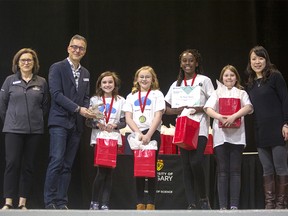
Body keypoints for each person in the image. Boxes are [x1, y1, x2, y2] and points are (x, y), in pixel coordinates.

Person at [44, 34, 98, 209]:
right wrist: (79, 109)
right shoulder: (57, 67)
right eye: (74, 47)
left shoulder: (86, 73)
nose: (77, 50)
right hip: (59, 121)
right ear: (68, 48)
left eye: (81, 48)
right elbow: (56, 95)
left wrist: (88, 110)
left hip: (76, 124)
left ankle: (61, 201)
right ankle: (50, 201)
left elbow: (85, 97)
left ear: (85, 51)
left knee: (67, 164)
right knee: (57, 160)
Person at [165, 49, 214, 209]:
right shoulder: (176, 84)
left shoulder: (204, 80)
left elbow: (213, 102)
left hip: (199, 127)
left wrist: (197, 109)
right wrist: (178, 110)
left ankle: (203, 198)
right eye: (184, 61)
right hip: (182, 128)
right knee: (186, 165)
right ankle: (191, 203)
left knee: (196, 162)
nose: (188, 63)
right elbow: (166, 108)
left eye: (191, 60)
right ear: (181, 63)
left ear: (197, 63)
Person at [0, 48, 49, 210]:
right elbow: (2, 105)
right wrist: (11, 120)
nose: (26, 63)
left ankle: (22, 202)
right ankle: (8, 201)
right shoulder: (9, 81)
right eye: (23, 60)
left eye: (29, 60)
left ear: (34, 63)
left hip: (34, 131)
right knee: (12, 164)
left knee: (28, 166)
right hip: (13, 130)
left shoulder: (41, 82)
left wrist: (37, 120)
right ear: (17, 63)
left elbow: (45, 106)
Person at [204, 65, 253, 210]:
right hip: (220, 136)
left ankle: (234, 205)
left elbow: (249, 107)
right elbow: (208, 108)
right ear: (222, 78)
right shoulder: (217, 93)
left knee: (235, 171)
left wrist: (233, 116)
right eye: (226, 75)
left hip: (237, 137)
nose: (229, 78)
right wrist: (220, 117)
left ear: (236, 77)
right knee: (222, 171)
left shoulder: (241, 93)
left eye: (232, 75)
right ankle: (223, 206)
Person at [246, 46, 288, 209]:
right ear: (250, 62)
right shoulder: (249, 83)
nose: (257, 62)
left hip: (277, 129)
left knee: (280, 166)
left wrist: (286, 123)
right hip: (260, 131)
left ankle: (281, 205)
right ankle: (269, 205)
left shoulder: (275, 77)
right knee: (267, 168)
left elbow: (285, 99)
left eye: (260, 58)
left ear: (266, 60)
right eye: (254, 59)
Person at [123, 66, 165, 210]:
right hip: (137, 134)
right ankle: (140, 202)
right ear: (136, 79)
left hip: (152, 133)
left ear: (152, 79)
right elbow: (128, 117)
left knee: (151, 168)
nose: (144, 79)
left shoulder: (157, 95)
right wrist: (139, 133)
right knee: (139, 169)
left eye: (147, 77)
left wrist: (148, 134)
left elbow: (158, 116)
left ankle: (151, 203)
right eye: (141, 77)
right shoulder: (131, 96)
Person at [88, 71, 126, 210]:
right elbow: (88, 121)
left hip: (113, 139)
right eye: (104, 82)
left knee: (109, 172)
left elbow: (124, 122)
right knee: (100, 172)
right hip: (99, 138)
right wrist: (98, 124)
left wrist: (115, 125)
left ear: (115, 84)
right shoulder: (94, 100)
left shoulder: (121, 100)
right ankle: (94, 202)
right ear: (100, 84)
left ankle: (105, 204)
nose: (107, 85)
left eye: (110, 82)